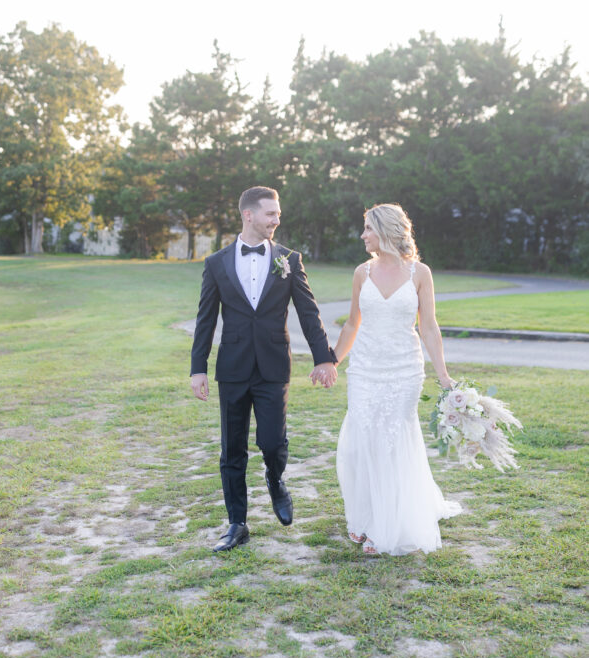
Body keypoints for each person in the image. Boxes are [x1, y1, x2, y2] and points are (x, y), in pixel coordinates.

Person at [190, 186, 338, 553]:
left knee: (273, 442)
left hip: (274, 366)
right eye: (270, 214)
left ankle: (275, 479)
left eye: (278, 214)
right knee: (232, 449)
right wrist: (198, 368)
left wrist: (324, 357)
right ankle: (237, 523)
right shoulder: (216, 263)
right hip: (234, 367)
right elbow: (205, 319)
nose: (277, 219)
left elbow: (308, 312)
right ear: (249, 215)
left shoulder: (289, 259)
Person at [332, 203, 462, 556]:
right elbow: (351, 324)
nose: (362, 236)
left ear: (387, 231)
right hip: (364, 370)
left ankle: (383, 527)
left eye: (368, 229)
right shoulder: (362, 272)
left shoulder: (420, 273)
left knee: (390, 440)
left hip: (404, 370)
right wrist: (332, 361)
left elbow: (429, 327)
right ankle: (365, 515)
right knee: (362, 442)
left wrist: (444, 375)